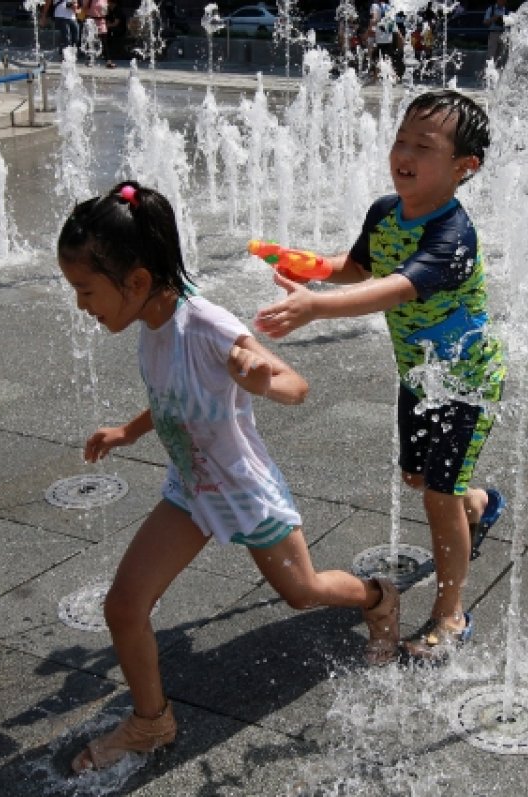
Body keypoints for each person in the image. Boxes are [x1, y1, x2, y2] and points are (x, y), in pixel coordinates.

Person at [57, 181, 401, 773]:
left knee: (304, 592)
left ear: (137, 282)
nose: (83, 305)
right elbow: (174, 398)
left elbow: (297, 386)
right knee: (124, 607)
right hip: (190, 488)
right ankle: (151, 721)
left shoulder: (209, 325)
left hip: (244, 490)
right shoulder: (153, 318)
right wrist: (129, 431)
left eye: (87, 291)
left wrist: (262, 378)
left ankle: (378, 596)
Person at [254, 91, 508, 662]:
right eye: (401, 140)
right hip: (418, 378)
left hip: (466, 382)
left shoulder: (453, 236)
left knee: (436, 497)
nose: (405, 153)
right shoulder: (384, 212)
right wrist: (312, 268)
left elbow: (397, 287)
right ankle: (482, 503)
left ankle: (451, 613)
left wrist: (317, 308)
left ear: (465, 167)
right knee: (420, 479)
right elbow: (362, 268)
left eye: (424, 145)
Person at [103, 0, 127, 68]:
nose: (106, 4)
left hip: (119, 29)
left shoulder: (117, 10)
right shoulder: (109, 10)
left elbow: (116, 23)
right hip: (112, 28)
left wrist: (106, 25)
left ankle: (109, 54)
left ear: (111, 3)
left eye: (107, 2)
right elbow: (107, 20)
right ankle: (107, 53)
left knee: (107, 33)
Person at [484, 0, 507, 67]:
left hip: (504, 34)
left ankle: (499, 72)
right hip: (493, 33)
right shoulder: (491, 9)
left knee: (501, 55)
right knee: (491, 54)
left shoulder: (506, 10)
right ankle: (488, 72)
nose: (502, 2)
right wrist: (494, 18)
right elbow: (485, 22)